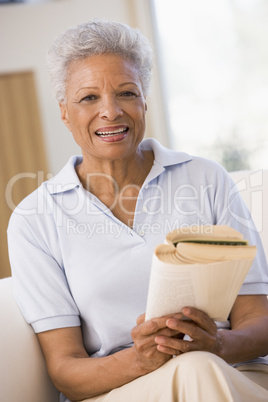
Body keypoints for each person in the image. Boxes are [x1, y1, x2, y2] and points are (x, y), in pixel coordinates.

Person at [7, 20, 268, 402]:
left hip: (229, 371)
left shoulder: (206, 179)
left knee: (198, 367)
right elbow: (65, 370)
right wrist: (141, 360)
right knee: (192, 369)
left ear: (145, 101)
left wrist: (217, 345)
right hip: (122, 389)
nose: (110, 112)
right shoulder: (34, 219)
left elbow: (259, 321)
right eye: (89, 98)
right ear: (65, 113)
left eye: (126, 93)